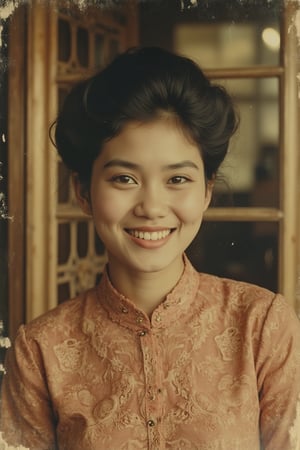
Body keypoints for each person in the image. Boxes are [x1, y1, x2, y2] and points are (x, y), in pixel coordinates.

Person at [1, 47, 300, 450]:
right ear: (83, 192)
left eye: (177, 180)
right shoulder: (40, 350)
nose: (152, 208)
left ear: (207, 191)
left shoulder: (262, 326)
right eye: (124, 178)